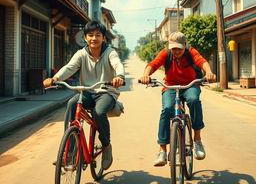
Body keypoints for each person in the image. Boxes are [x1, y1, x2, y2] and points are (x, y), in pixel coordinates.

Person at [43, 20, 125, 170]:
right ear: (85, 38)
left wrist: (119, 76)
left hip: (106, 92)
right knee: (72, 104)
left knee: (98, 112)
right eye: (90, 35)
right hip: (87, 92)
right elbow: (70, 67)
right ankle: (70, 151)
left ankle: (106, 145)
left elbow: (117, 64)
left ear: (103, 38)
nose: (94, 38)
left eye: (98, 35)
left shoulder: (110, 52)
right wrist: (55, 79)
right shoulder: (81, 54)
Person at [139, 31, 215, 167]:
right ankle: (162, 150)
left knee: (193, 100)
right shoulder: (166, 53)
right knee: (167, 109)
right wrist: (146, 75)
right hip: (170, 86)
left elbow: (201, 61)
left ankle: (197, 140)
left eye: (179, 48)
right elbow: (154, 64)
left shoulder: (190, 51)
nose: (176, 51)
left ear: (184, 45)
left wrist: (208, 72)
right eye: (173, 48)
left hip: (190, 85)